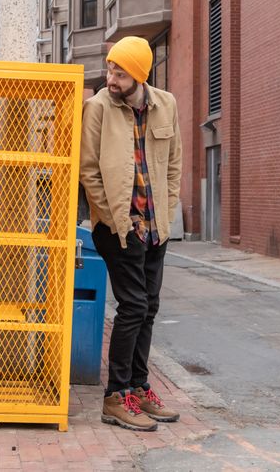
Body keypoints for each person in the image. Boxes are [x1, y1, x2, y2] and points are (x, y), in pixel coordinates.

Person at [79, 36, 183, 432]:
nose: (111, 77)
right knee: (134, 307)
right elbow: (89, 170)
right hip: (118, 229)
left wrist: (165, 218)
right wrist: (116, 220)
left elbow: (173, 166)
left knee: (149, 308)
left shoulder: (166, 105)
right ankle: (116, 395)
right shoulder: (98, 107)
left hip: (156, 228)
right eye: (109, 69)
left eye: (120, 72)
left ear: (140, 74)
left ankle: (139, 387)